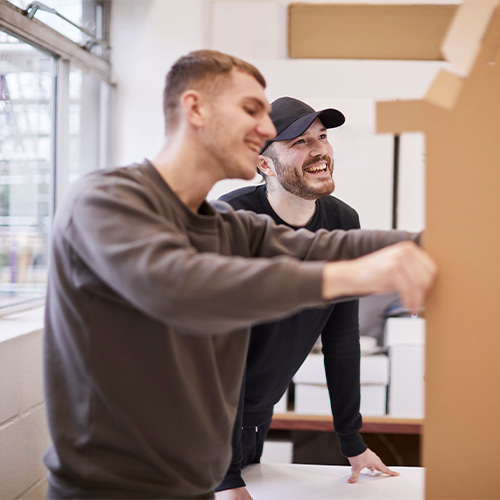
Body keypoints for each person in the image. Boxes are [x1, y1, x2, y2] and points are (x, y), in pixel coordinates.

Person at [43, 50, 436, 499]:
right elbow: (183, 288)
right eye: (251, 110)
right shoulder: (107, 199)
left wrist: (428, 242)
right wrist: (349, 278)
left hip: (191, 480)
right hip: (112, 489)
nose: (266, 128)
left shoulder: (218, 223)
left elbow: (319, 245)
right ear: (196, 109)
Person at [215, 96, 401, 499]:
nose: (318, 149)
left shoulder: (341, 222)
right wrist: (225, 474)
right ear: (264, 164)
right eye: (298, 142)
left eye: (322, 136)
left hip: (253, 418)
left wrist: (352, 442)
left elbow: (341, 334)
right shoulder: (231, 223)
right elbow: (216, 349)